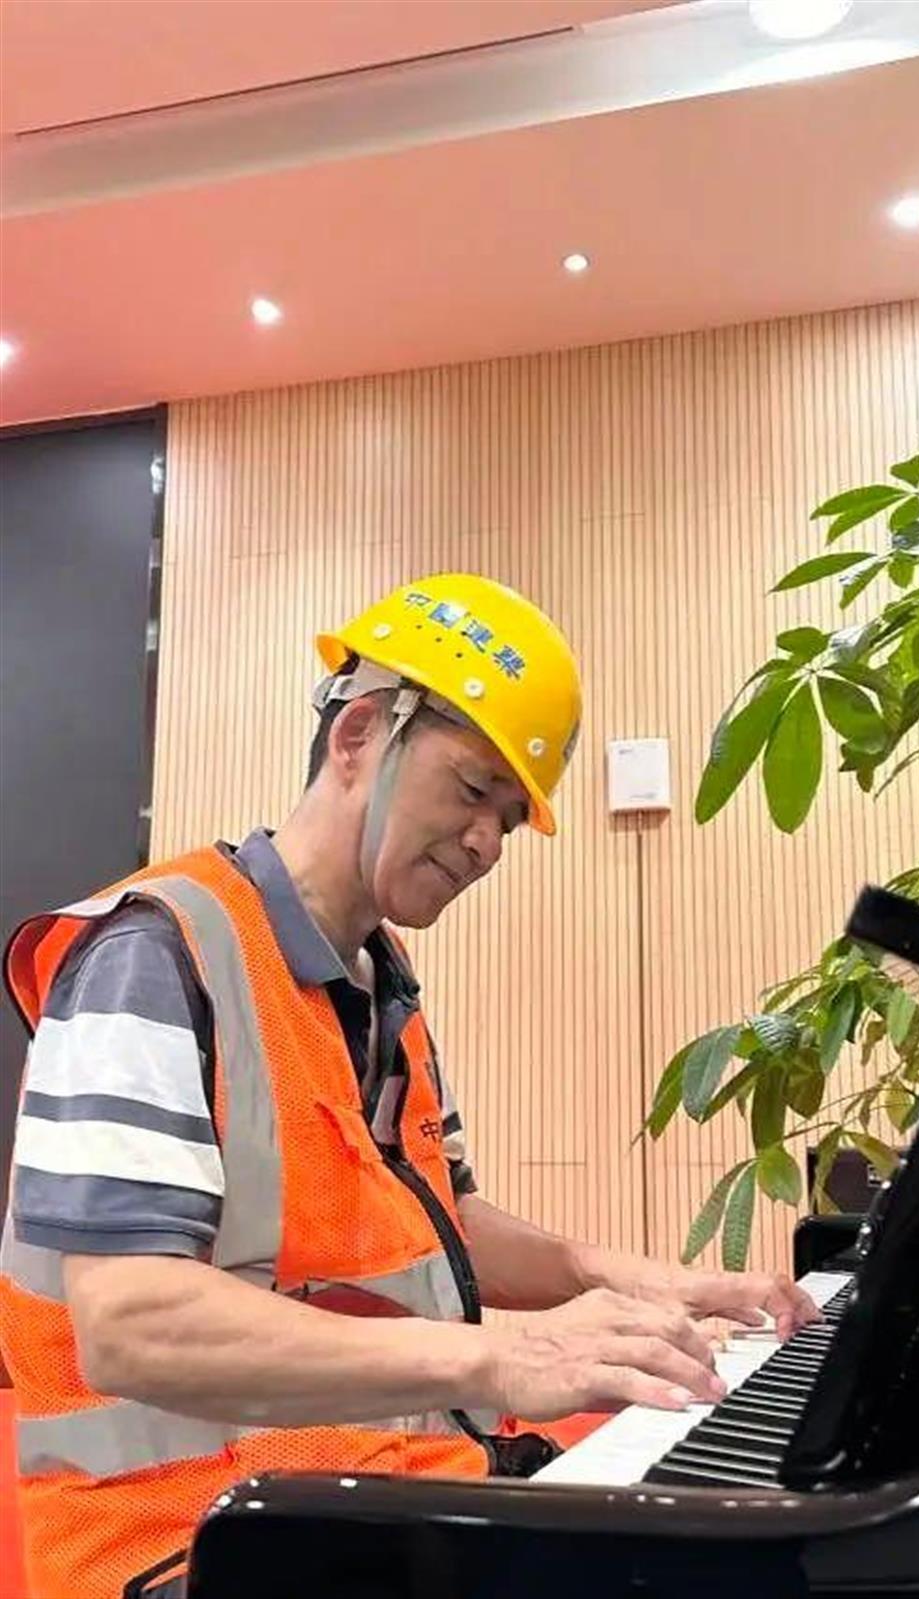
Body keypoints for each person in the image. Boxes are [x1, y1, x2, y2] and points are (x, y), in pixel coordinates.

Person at [0, 573, 818, 1599]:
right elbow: (130, 1322)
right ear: (358, 736)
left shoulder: (378, 982)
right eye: (475, 790)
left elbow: (437, 1220)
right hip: (183, 1547)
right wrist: (501, 1357)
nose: (487, 843)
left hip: (365, 1503)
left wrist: (618, 1276)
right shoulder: (153, 956)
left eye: (509, 819)